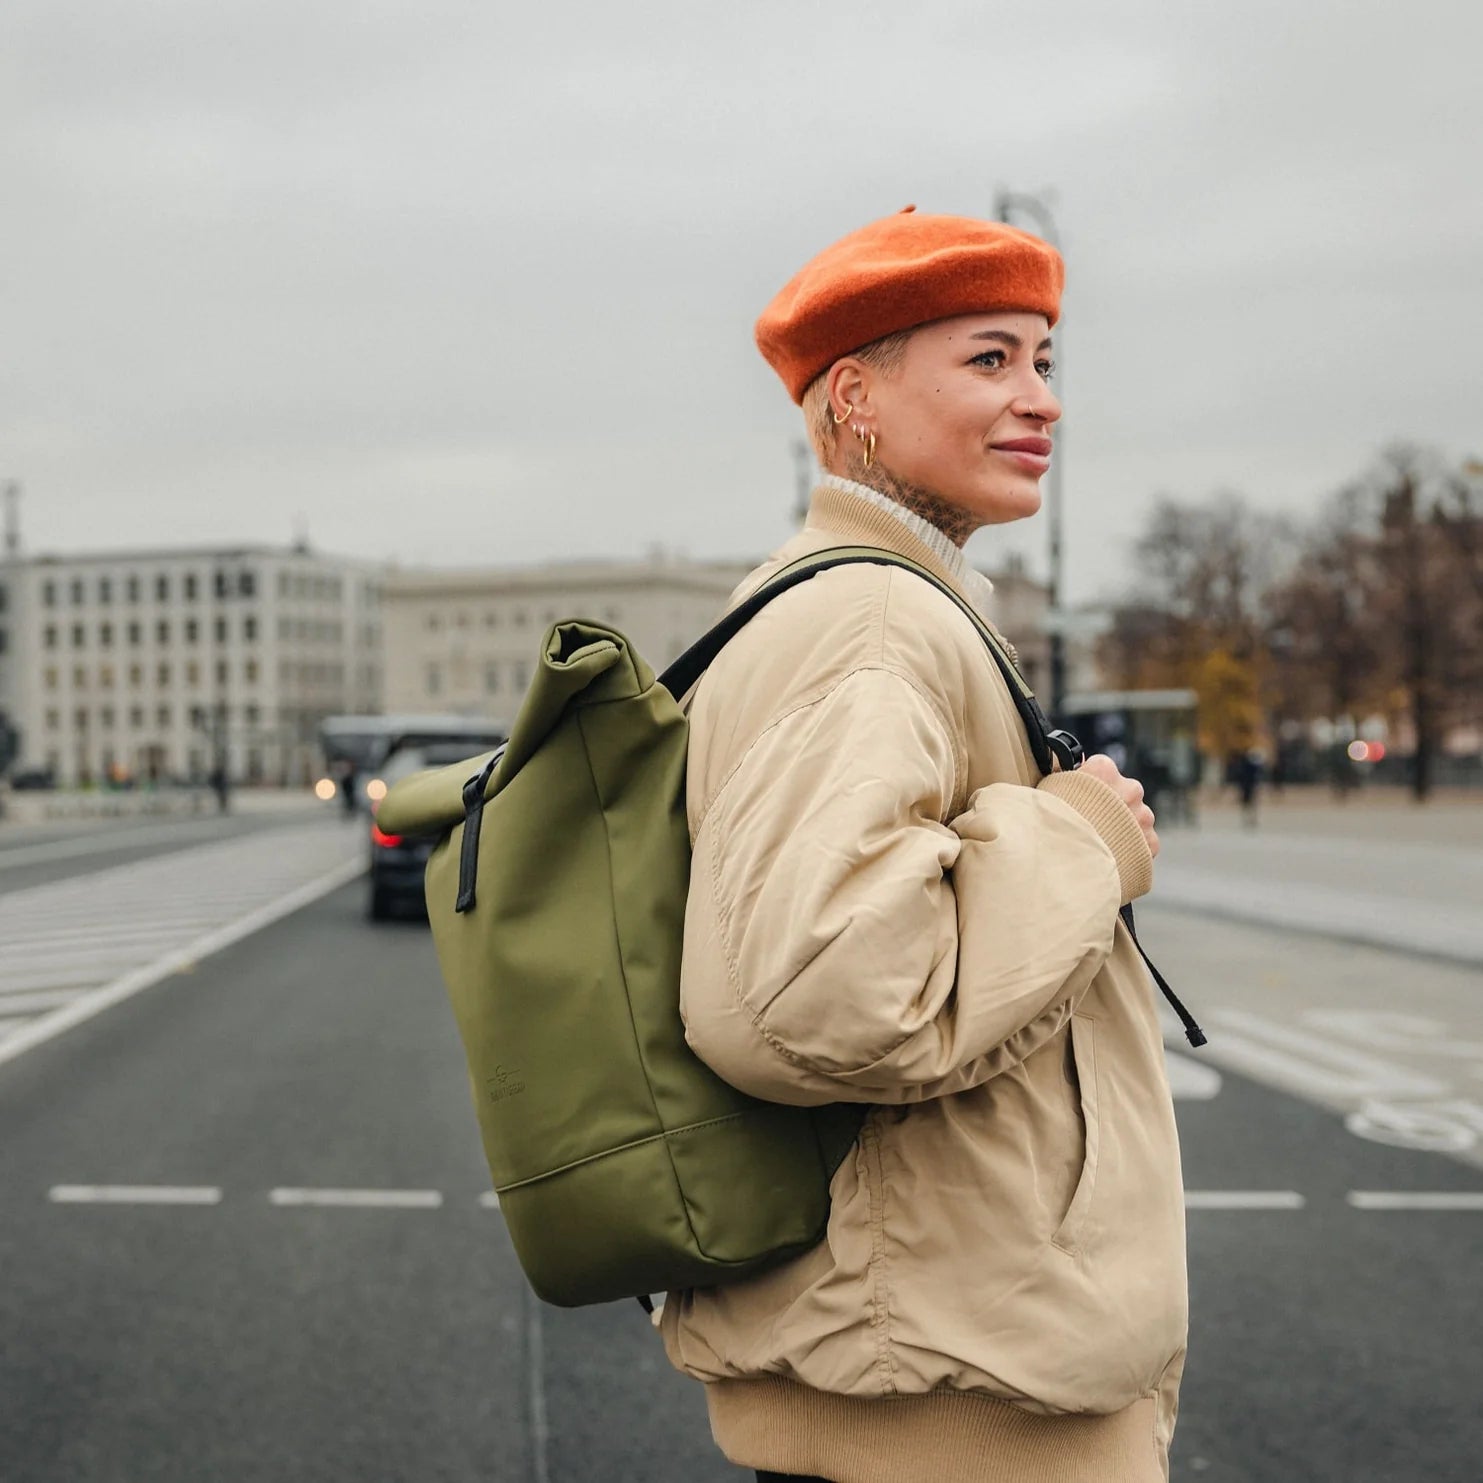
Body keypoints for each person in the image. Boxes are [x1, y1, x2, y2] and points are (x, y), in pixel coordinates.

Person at [659, 208, 1187, 1483]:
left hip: (929, 1350)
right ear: (855, 396)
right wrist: (1082, 839)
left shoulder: (855, 598)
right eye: (990, 359)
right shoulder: (872, 622)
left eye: (1044, 360)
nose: (1042, 400)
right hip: (952, 1393)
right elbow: (820, 992)